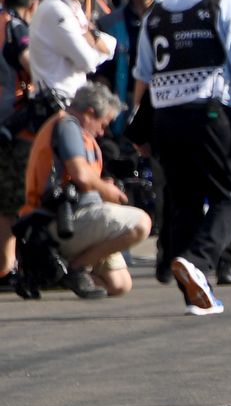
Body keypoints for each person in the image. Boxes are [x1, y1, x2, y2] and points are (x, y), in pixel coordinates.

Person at [133, 0, 231, 315]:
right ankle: (199, 259)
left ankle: (196, 292)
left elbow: (142, 78)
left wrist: (141, 130)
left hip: (165, 119)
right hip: (209, 113)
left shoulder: (156, 14)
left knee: (185, 201)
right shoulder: (221, 6)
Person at [21, 82, 151, 298]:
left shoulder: (70, 128)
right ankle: (74, 268)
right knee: (141, 223)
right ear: (90, 112)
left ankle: (53, 274)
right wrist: (106, 191)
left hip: (75, 217)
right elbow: (80, 175)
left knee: (119, 285)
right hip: (58, 223)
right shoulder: (68, 126)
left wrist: (100, 186)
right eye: (103, 123)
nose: (102, 131)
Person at [28, 0, 116, 100]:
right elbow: (87, 62)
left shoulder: (71, 5)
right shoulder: (56, 9)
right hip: (55, 104)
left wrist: (92, 40)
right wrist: (96, 46)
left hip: (71, 101)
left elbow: (112, 45)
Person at [0, 0, 40, 290]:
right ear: (33, 4)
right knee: (11, 201)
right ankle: (6, 268)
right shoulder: (16, 27)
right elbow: (30, 62)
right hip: (11, 121)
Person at [96, 0, 163, 134]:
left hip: (159, 105)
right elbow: (103, 74)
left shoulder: (168, 20)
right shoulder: (109, 23)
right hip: (122, 106)